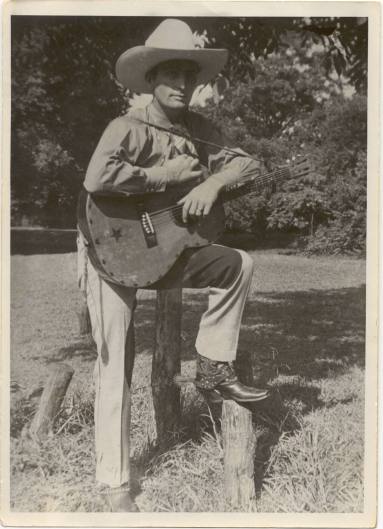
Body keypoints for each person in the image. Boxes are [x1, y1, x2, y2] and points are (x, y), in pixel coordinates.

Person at [77, 18, 270, 512]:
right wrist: (164, 173)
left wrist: (210, 184)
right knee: (116, 358)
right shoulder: (128, 126)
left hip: (170, 252)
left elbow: (250, 164)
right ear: (151, 80)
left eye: (189, 75)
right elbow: (98, 177)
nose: (182, 85)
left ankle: (211, 366)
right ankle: (114, 483)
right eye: (171, 75)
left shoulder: (203, 130)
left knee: (238, 264)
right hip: (112, 248)